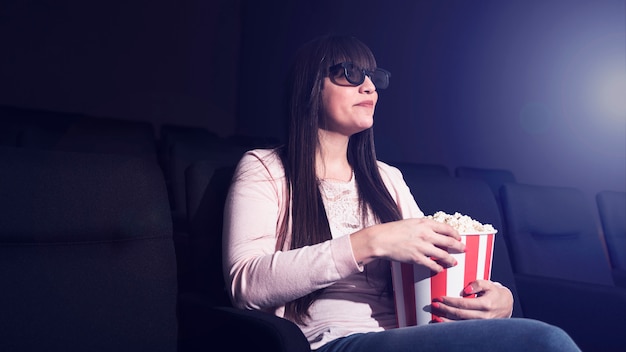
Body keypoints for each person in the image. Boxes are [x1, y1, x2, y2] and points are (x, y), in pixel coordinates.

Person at [222, 34, 580, 351]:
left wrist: (497, 299)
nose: (369, 88)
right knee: (545, 342)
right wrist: (370, 242)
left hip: (409, 333)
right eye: (350, 73)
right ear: (310, 86)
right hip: (330, 339)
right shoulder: (266, 167)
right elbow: (246, 284)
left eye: (373, 78)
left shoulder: (386, 178)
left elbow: (431, 266)